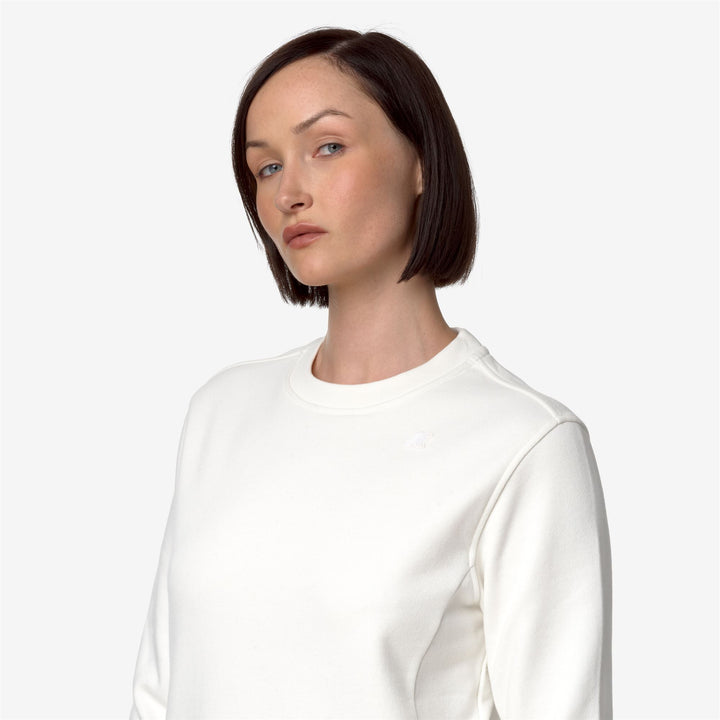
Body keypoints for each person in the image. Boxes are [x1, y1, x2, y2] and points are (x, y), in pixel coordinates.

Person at [129, 26, 613, 720]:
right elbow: (159, 693)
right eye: (266, 167)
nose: (289, 192)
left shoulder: (522, 442)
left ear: (421, 163)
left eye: (327, 147)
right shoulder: (222, 410)